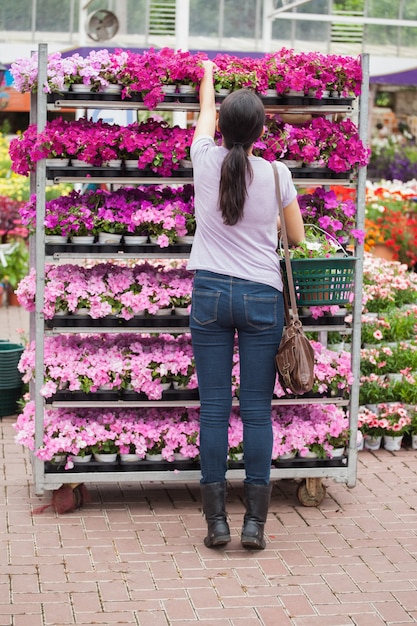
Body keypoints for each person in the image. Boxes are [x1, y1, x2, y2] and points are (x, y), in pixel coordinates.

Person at [188, 60, 305, 550]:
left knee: (214, 411)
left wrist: (209, 74)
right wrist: (267, 227)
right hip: (261, 295)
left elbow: (204, 112)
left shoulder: (203, 159)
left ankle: (216, 523)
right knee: (257, 411)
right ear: (261, 131)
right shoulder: (278, 174)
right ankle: (254, 525)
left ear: (221, 127)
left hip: (211, 293)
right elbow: (295, 237)